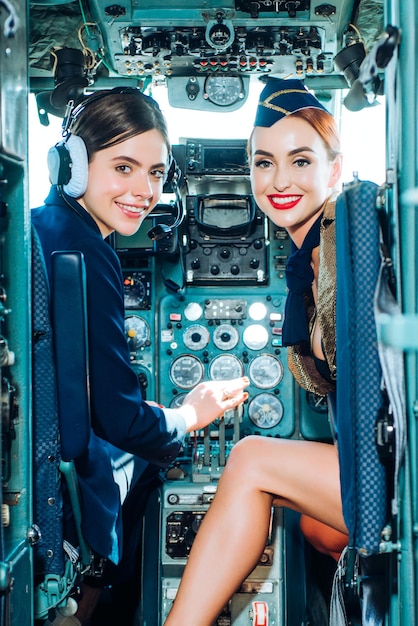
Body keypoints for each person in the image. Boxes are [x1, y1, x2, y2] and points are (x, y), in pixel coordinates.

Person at [31, 87, 249, 626]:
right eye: (123, 167)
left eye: (155, 172)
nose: (143, 190)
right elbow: (122, 418)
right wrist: (189, 415)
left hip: (41, 437)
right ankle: (103, 595)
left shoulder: (41, 226)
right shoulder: (89, 251)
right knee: (153, 464)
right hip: (60, 455)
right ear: (74, 165)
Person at [164, 78, 349, 626]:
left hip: (390, 469)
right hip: (373, 460)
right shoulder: (308, 254)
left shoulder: (344, 245)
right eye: (264, 162)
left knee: (247, 458)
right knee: (318, 530)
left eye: (300, 160)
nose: (279, 180)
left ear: (334, 170)